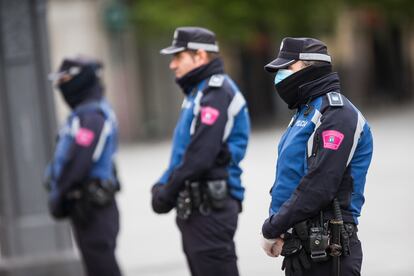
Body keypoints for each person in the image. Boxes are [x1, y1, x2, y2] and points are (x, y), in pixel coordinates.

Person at [260, 37, 373, 276]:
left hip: (331, 251)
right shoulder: (306, 112)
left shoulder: (337, 114)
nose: (279, 76)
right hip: (300, 249)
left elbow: (319, 185)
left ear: (311, 67)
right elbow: (290, 178)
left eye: (286, 68)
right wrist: (282, 230)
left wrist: (272, 227)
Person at [151, 27, 250, 276]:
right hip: (197, 208)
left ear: (200, 56)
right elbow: (182, 153)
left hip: (210, 208)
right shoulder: (199, 92)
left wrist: (167, 192)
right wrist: (162, 184)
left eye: (178, 57)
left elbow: (200, 155)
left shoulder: (216, 93)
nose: (172, 65)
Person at [45, 56, 122, 276]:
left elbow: (79, 161)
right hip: (87, 208)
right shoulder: (84, 114)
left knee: (102, 268)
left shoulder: (92, 117)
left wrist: (58, 195)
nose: (61, 86)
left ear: (81, 80)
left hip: (93, 208)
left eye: (66, 79)